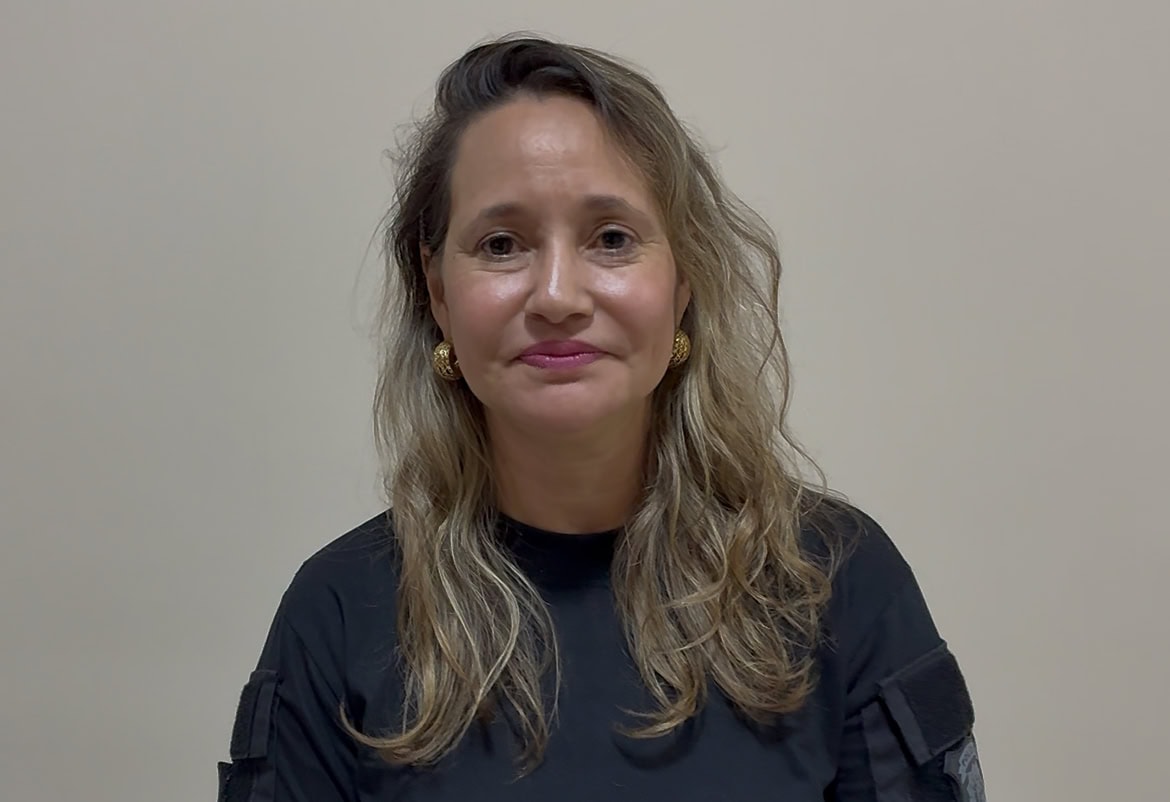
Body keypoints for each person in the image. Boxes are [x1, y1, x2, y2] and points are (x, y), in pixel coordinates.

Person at [218, 34, 984, 802]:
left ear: (683, 280)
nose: (557, 295)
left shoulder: (839, 584)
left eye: (612, 239)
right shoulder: (338, 614)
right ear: (439, 293)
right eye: (502, 243)